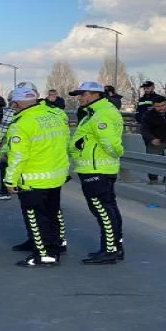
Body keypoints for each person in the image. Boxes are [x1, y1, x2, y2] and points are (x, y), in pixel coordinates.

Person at [4, 87, 70, 267]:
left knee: (35, 217)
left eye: (13, 104)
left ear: (17, 104)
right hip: (55, 175)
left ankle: (44, 254)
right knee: (52, 214)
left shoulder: (22, 123)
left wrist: (10, 180)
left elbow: (18, 156)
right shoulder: (54, 115)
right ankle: (54, 247)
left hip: (33, 178)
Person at [68, 82, 125, 265]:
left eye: (83, 94)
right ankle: (115, 248)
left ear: (95, 94)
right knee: (109, 208)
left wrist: (116, 153)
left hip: (96, 169)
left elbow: (110, 142)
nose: (80, 98)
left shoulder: (101, 114)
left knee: (102, 210)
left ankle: (109, 251)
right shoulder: (95, 111)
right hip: (97, 168)